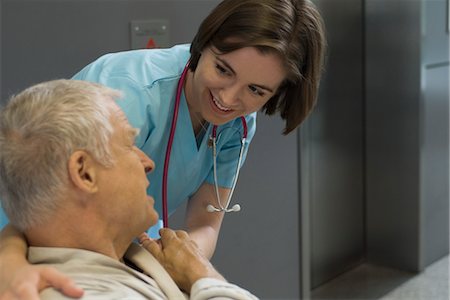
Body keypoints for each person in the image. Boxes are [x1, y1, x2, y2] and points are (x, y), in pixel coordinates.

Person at [0, 0, 326, 297]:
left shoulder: (239, 123)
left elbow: (206, 223)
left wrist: (183, 267)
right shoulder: (127, 95)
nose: (228, 99)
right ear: (204, 44)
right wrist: (9, 262)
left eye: (256, 90)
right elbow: (31, 196)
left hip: (134, 251)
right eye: (223, 70)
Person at [0, 79, 259, 300]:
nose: (148, 162)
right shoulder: (81, 292)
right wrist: (204, 276)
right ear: (84, 172)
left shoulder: (123, 261)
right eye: (129, 144)